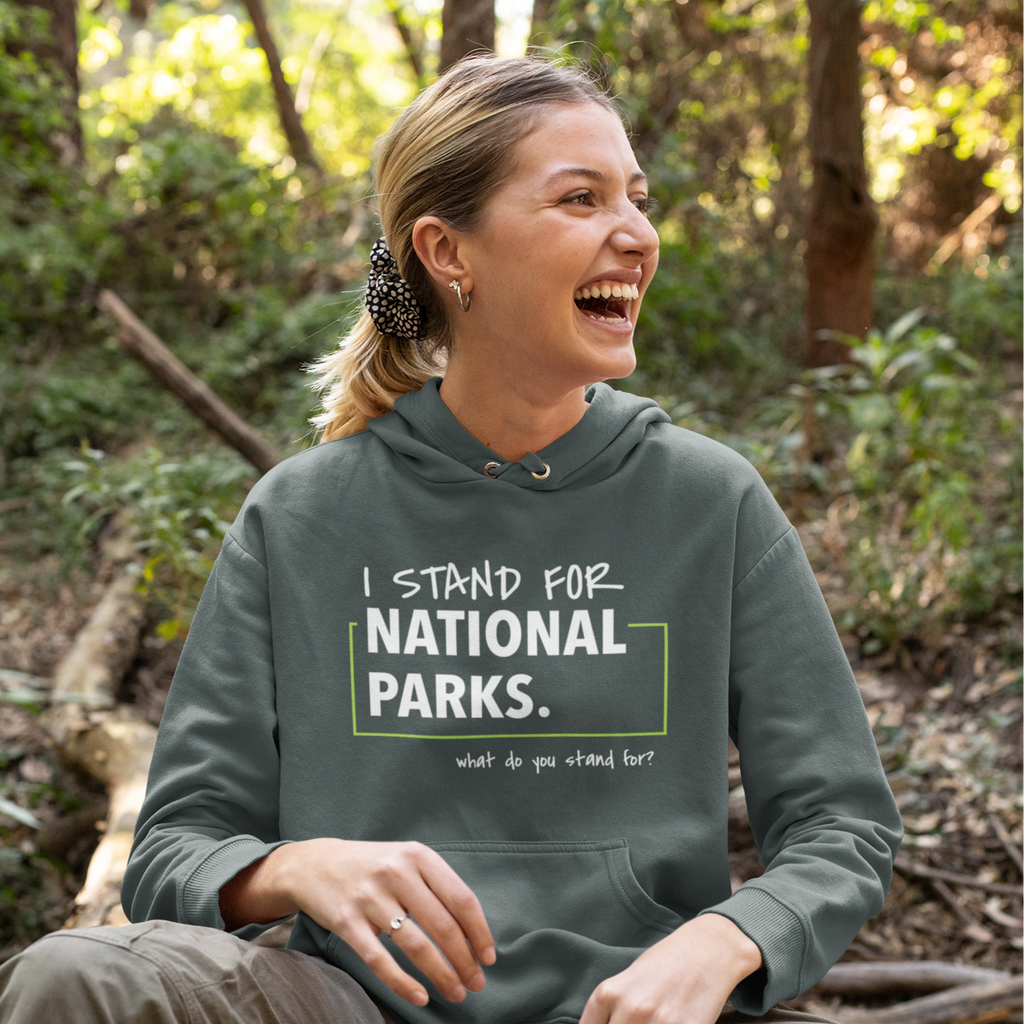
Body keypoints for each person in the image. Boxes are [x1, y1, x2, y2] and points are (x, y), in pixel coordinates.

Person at [0, 55, 902, 1024]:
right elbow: (176, 843)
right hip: (344, 1002)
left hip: (631, 1007)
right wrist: (293, 866)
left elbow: (839, 822)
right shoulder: (302, 516)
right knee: (73, 976)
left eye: (637, 200)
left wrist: (722, 940)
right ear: (448, 251)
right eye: (580, 198)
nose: (636, 235)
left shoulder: (709, 500)